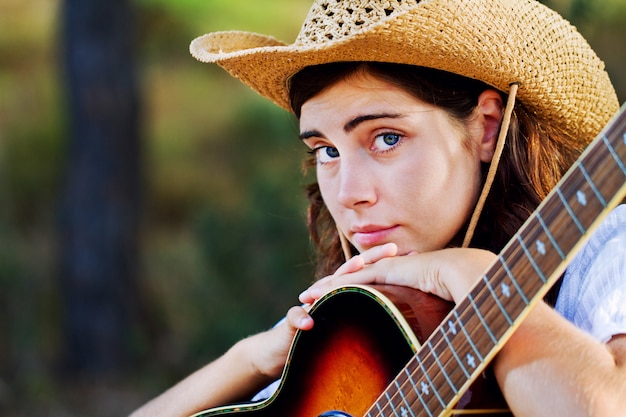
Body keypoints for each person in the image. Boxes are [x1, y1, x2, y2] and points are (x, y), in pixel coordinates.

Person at [131, 0, 626, 416]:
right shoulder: (351, 336)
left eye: (386, 138)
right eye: (326, 150)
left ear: (487, 127)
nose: (348, 193)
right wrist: (251, 360)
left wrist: (477, 278)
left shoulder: (605, 248)